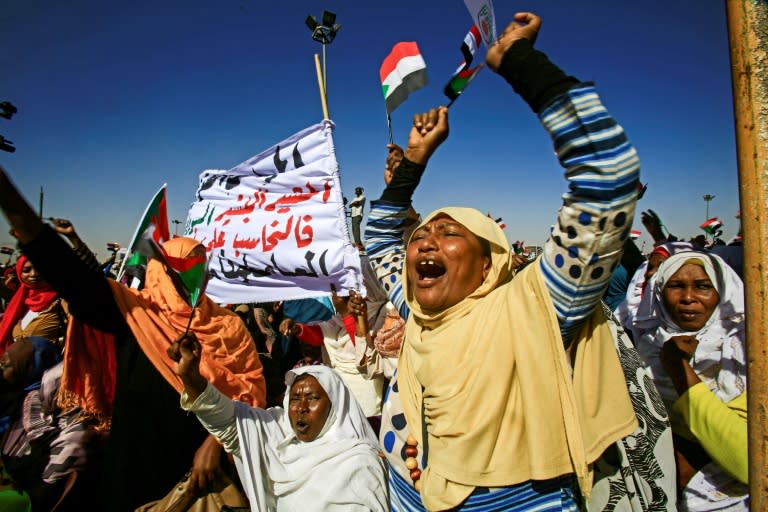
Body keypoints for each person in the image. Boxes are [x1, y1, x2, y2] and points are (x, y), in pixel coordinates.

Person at [363, 12, 669, 511]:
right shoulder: (417, 308)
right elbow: (378, 237)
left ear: (489, 263)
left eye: (448, 233)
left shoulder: (537, 310)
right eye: (420, 234)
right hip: (407, 492)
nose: (423, 242)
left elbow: (607, 180)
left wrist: (521, 62)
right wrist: (413, 163)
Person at [0, 176, 266, 511]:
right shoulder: (132, 312)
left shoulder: (228, 327)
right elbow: (69, 273)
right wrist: (12, 202)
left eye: (201, 268)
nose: (195, 278)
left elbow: (249, 392)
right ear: (159, 272)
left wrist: (215, 442)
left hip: (200, 475)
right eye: (182, 270)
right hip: (131, 470)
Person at [171, 333, 389, 511]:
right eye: (294, 398)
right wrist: (191, 378)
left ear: (335, 406)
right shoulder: (276, 433)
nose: (301, 407)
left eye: (313, 398)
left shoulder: (359, 462)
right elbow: (228, 421)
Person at [634, 251, 747, 509]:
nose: (688, 298)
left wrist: (679, 369)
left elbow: (749, 461)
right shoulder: (644, 348)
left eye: (703, 287)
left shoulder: (745, 356)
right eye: (676, 286)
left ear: (722, 293)